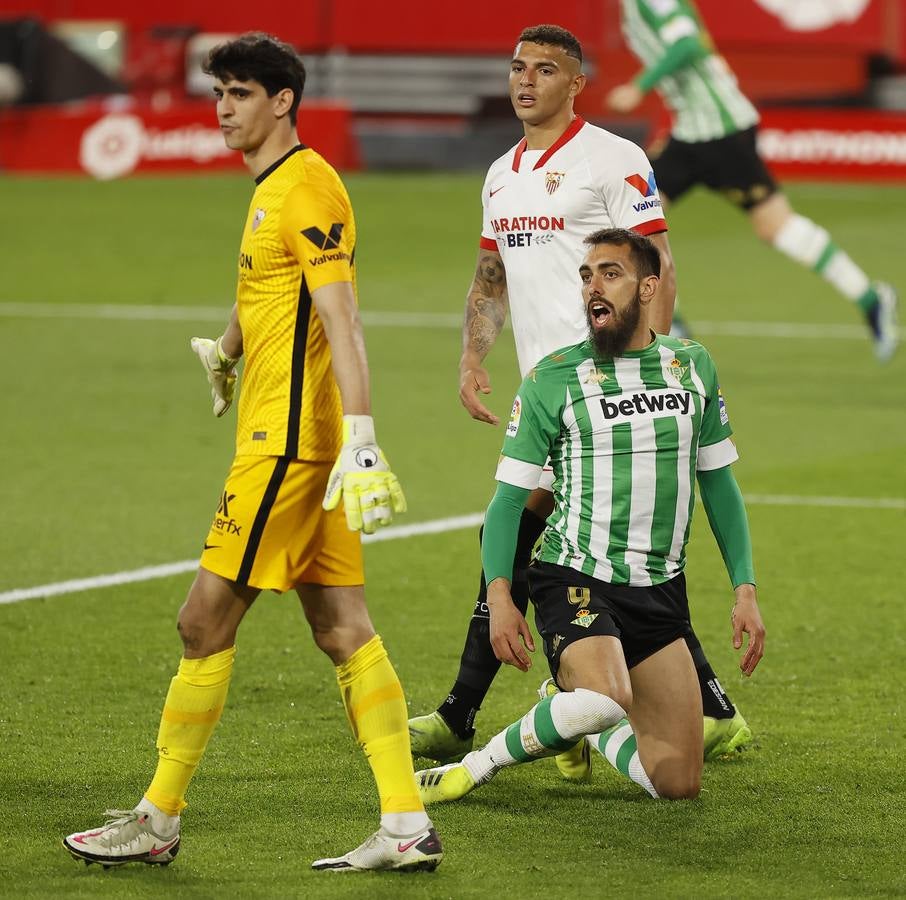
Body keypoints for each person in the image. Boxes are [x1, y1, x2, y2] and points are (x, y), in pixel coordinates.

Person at [62, 33, 442, 874]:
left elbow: (341, 316)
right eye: (219, 94)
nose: (223, 108)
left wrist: (366, 439)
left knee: (201, 621)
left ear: (283, 101)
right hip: (298, 442)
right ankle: (407, 823)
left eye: (238, 93)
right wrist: (230, 348)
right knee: (343, 629)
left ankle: (157, 818)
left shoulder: (306, 187)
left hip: (288, 451)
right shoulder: (274, 187)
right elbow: (268, 287)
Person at [408, 23, 752, 775]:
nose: (524, 80)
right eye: (517, 67)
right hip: (552, 394)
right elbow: (490, 274)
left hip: (610, 395)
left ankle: (472, 714)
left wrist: (649, 369)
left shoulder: (613, 159)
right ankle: (695, 708)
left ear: (576, 83)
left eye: (544, 69)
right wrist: (472, 355)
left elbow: (657, 263)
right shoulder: (500, 174)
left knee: (542, 537)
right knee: (596, 551)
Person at [415, 227, 765, 805]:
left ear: (648, 287)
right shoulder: (553, 378)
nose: (592, 287)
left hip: (659, 593)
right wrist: (501, 596)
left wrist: (745, 589)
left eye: (610, 274)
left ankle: (574, 719)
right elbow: (507, 502)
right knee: (605, 697)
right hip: (575, 578)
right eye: (586, 275)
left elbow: (719, 483)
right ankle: (474, 768)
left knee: (678, 782)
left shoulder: (692, 367)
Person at [607, 0, 899, 362]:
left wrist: (639, 87)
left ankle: (871, 299)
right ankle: (672, 327)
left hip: (721, 133)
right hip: (696, 131)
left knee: (772, 226)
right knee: (632, 222)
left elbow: (687, 45)